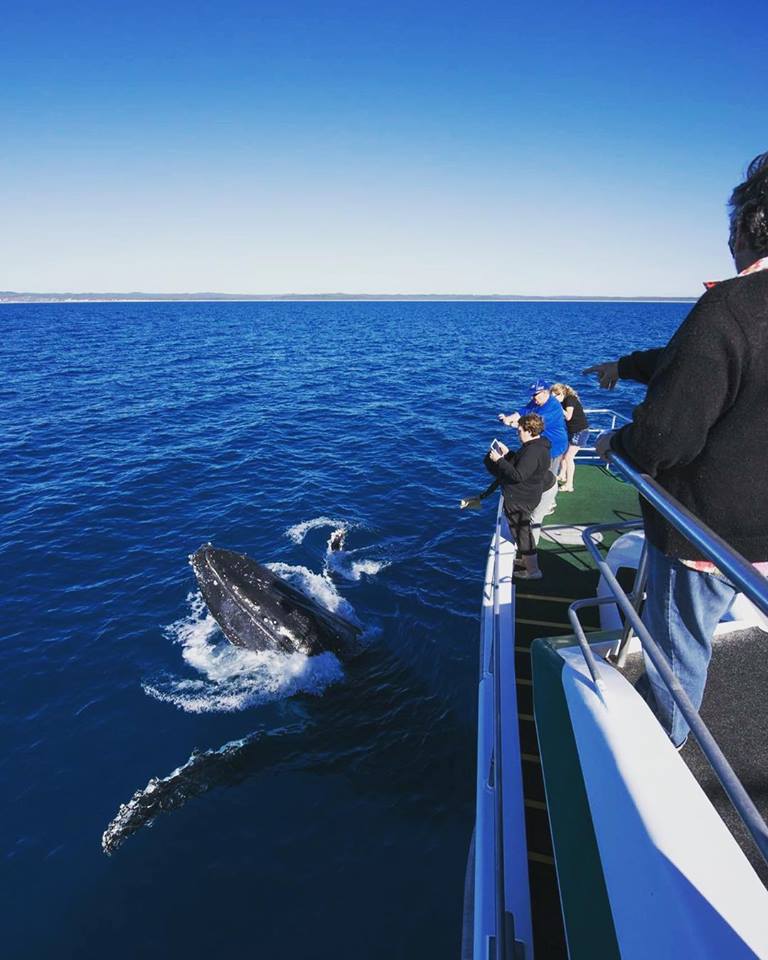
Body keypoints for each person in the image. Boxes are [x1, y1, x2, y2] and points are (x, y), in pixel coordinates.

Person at [584, 151, 768, 747]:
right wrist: (627, 366)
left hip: (710, 535)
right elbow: (693, 365)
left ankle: (666, 757)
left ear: (746, 227)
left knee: (677, 654)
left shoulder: (729, 309)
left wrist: (620, 444)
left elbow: (667, 437)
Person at [460, 413, 553, 579]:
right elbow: (524, 466)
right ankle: (527, 561)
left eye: (519, 430)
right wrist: (508, 453)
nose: (518, 433)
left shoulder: (532, 451)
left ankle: (533, 571)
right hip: (528, 495)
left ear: (529, 430)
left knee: (523, 534)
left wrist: (499, 460)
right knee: (521, 533)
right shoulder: (538, 446)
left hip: (520, 499)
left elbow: (518, 475)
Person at [498, 380, 569, 480]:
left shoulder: (553, 407)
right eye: (532, 395)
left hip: (554, 446)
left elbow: (534, 424)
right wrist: (507, 418)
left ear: (545, 392)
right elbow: (522, 412)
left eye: (535, 394)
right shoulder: (536, 401)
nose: (532, 397)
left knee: (548, 478)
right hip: (539, 444)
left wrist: (511, 424)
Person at [551, 383, 590, 492]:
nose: (553, 399)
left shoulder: (569, 399)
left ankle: (569, 485)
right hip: (572, 431)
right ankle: (562, 475)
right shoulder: (564, 400)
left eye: (555, 396)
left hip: (580, 432)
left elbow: (568, 416)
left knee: (568, 458)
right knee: (564, 454)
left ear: (561, 394)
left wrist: (557, 406)